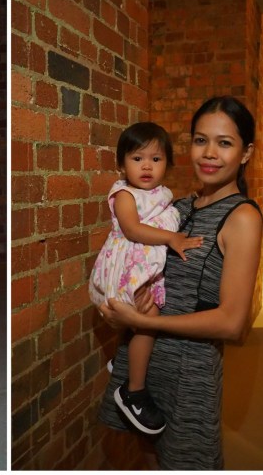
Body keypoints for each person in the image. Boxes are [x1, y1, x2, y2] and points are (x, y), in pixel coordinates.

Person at [98, 96, 263, 470]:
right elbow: (142, 264)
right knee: (149, 458)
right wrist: (124, 306)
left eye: (225, 143)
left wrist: (144, 323)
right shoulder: (177, 208)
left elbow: (231, 322)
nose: (209, 153)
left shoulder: (241, 218)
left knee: (186, 462)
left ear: (246, 152)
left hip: (189, 373)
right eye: (201, 140)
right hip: (146, 360)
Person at [88, 122, 203, 435]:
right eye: (138, 159)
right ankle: (133, 390)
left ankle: (122, 363)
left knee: (143, 318)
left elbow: (163, 212)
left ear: (167, 162)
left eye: (156, 158)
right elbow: (133, 229)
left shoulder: (163, 195)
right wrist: (172, 239)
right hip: (125, 267)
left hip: (143, 269)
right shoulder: (125, 194)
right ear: (122, 164)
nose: (147, 166)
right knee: (147, 318)